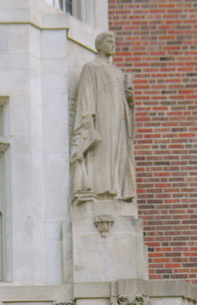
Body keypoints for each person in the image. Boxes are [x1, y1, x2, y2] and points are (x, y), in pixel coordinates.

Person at [71, 30, 136, 201]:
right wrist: (87, 121)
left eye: (114, 41)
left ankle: (117, 190)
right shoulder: (91, 68)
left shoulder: (118, 72)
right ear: (99, 45)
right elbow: (86, 95)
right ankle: (101, 191)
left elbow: (125, 102)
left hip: (119, 120)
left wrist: (130, 101)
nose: (113, 44)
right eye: (109, 41)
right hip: (101, 117)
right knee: (102, 152)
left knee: (119, 153)